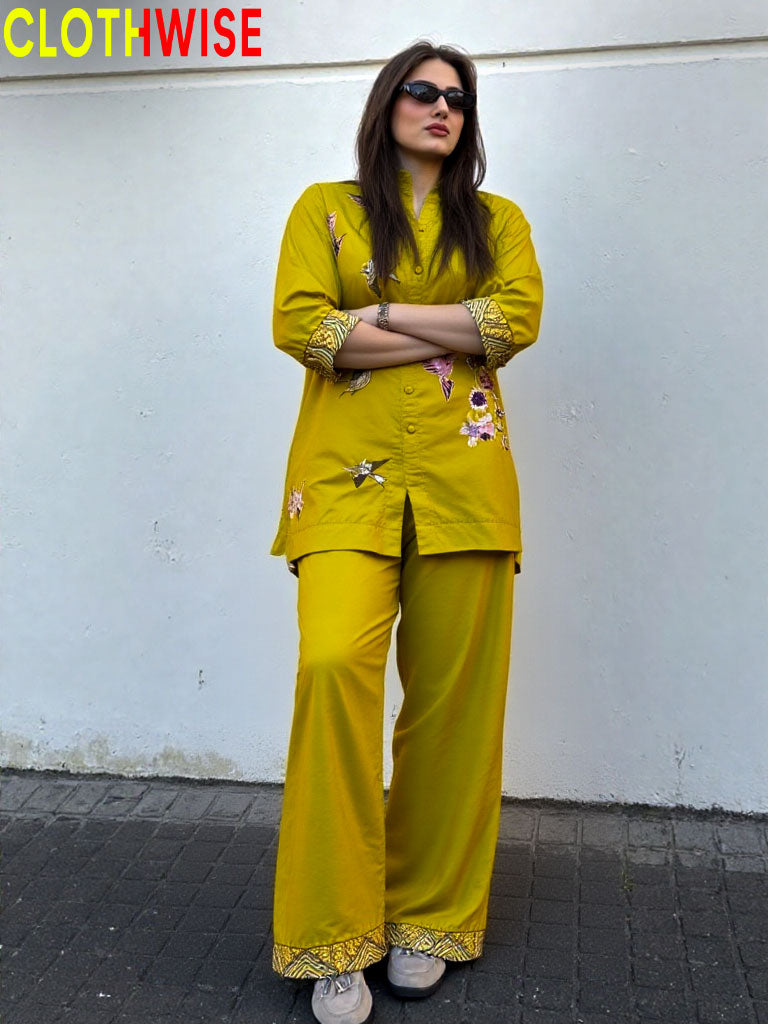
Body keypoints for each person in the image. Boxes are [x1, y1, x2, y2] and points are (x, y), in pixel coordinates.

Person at [268, 40, 543, 1024]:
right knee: (330, 666)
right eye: (422, 91)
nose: (441, 107)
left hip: (467, 489)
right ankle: (335, 936)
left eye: (457, 98)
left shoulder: (498, 222)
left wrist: (377, 314)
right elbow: (304, 326)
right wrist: (446, 323)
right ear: (387, 103)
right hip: (344, 487)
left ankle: (427, 916)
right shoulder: (324, 210)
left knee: (452, 711)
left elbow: (513, 322)